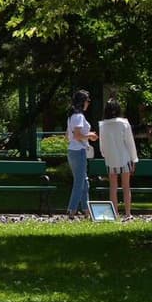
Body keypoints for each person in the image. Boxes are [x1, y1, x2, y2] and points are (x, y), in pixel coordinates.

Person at [99, 98, 139, 218]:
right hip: (124, 157)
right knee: (126, 186)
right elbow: (130, 142)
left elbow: (102, 144)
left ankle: (115, 213)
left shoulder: (103, 125)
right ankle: (128, 213)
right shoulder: (124, 123)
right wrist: (134, 158)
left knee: (113, 187)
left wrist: (105, 154)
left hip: (111, 158)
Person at [66, 89, 98, 217]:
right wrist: (90, 135)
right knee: (79, 182)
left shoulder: (71, 116)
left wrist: (85, 136)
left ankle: (86, 210)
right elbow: (78, 135)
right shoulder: (79, 116)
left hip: (72, 151)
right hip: (79, 151)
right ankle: (72, 210)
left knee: (85, 182)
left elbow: (68, 135)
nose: (88, 103)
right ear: (82, 102)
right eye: (87, 100)